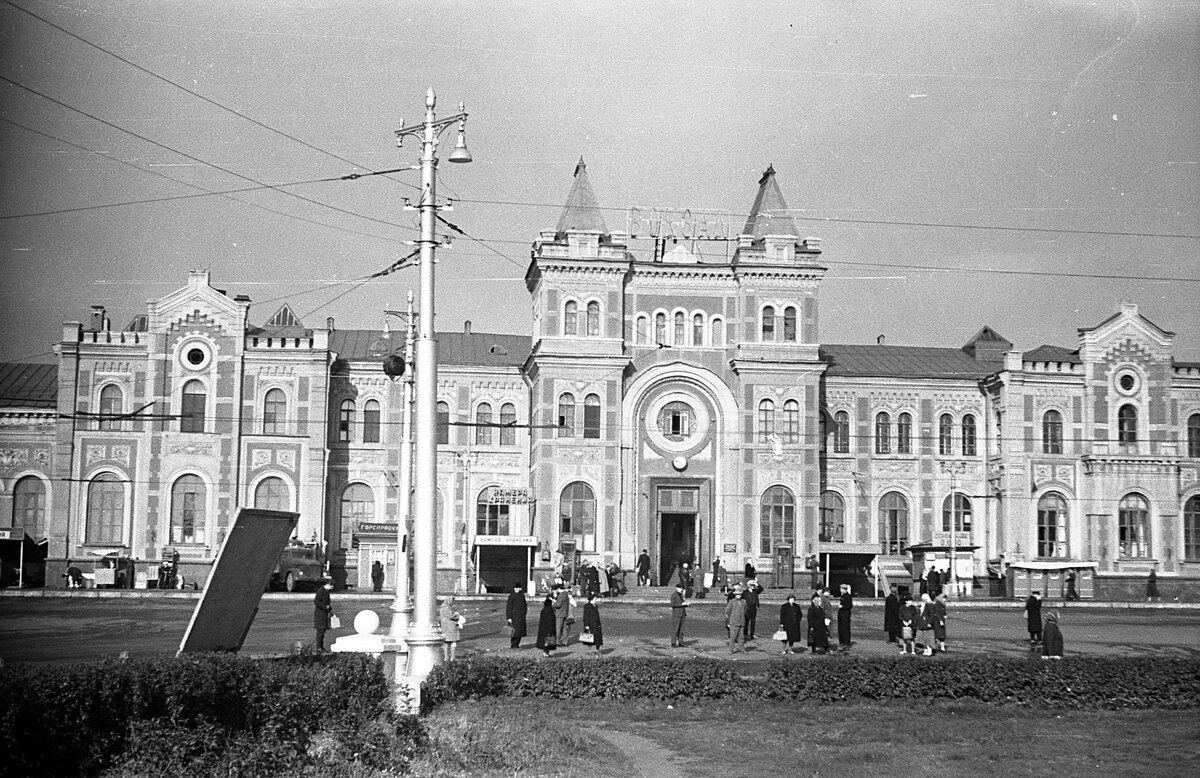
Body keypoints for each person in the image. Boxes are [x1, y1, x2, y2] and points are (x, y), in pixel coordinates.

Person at [438, 595, 464, 661]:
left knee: (446, 642)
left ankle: (446, 657)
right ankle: (452, 657)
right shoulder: (447, 608)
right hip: (451, 627)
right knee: (453, 642)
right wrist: (457, 614)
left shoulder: (442, 608)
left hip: (445, 627)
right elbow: (452, 616)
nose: (453, 602)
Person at [313, 579, 334, 652]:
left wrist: (330, 610)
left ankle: (321, 647)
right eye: (331, 586)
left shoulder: (326, 591)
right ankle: (319, 647)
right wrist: (325, 607)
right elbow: (316, 601)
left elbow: (327, 603)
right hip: (320, 614)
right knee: (320, 631)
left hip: (324, 614)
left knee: (322, 631)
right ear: (328, 585)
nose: (332, 588)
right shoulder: (321, 591)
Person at [725, 584, 747, 654]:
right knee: (733, 636)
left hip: (741, 621)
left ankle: (741, 648)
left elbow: (745, 610)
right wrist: (729, 620)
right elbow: (727, 611)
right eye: (737, 594)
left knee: (741, 637)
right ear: (735, 595)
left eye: (740, 594)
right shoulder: (731, 601)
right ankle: (731, 649)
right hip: (734, 621)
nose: (738, 596)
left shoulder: (744, 601)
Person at [505, 583, 527, 649]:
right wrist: (509, 617)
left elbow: (525, 605)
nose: (517, 589)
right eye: (516, 588)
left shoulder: (522, 595)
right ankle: (513, 645)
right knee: (514, 631)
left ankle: (517, 644)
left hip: (521, 616)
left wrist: (524, 613)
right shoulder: (511, 596)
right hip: (514, 616)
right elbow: (508, 607)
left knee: (520, 631)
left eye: (518, 588)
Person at [669, 582, 688, 647]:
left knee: (681, 629)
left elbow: (683, 603)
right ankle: (673, 642)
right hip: (676, 614)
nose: (681, 589)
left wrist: (686, 604)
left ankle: (681, 642)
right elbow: (672, 604)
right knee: (675, 629)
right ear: (676, 588)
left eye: (681, 588)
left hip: (682, 614)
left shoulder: (682, 595)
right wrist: (681, 604)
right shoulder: (673, 595)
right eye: (679, 588)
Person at [837, 583, 853, 651]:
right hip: (841, 614)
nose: (840, 590)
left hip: (845, 615)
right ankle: (842, 642)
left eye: (841, 589)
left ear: (844, 589)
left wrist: (842, 607)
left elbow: (849, 606)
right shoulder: (842, 596)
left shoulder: (848, 596)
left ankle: (846, 643)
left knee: (845, 629)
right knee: (841, 629)